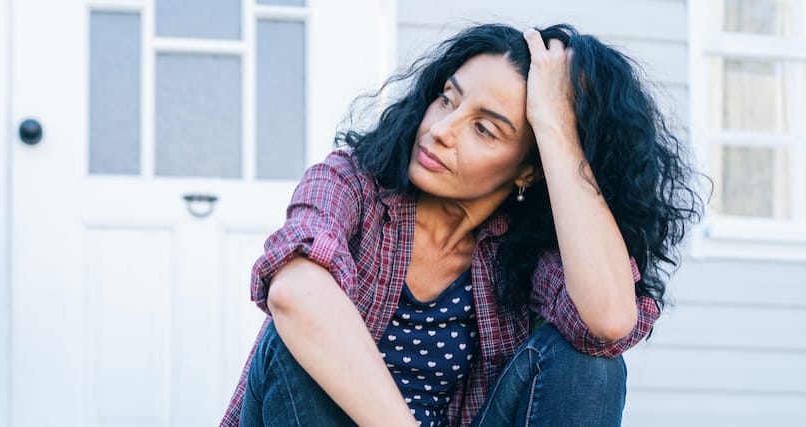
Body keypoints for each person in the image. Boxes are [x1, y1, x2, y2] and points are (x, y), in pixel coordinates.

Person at [220, 23, 704, 427]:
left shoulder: (519, 250)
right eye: (448, 100)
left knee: (591, 364)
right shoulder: (349, 183)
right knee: (297, 333)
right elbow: (294, 291)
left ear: (527, 169)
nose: (440, 130)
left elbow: (609, 320)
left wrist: (555, 128)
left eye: (484, 128)